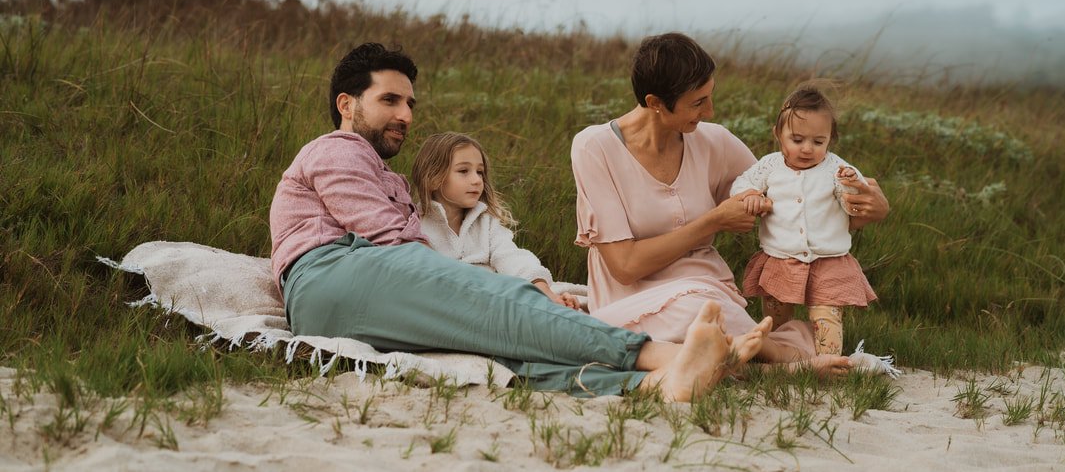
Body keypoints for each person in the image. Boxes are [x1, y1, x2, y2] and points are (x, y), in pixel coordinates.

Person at [269, 42, 770, 399]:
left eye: (410, 104)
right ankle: (659, 356)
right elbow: (396, 246)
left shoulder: (392, 180)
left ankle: (656, 384)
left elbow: (419, 260)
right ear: (346, 104)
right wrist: (510, 289)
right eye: (390, 100)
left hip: (350, 301)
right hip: (331, 273)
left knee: (499, 353)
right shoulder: (336, 149)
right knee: (504, 305)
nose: (406, 115)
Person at [571, 33, 889, 375]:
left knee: (706, 313)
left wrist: (870, 204)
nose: (710, 111)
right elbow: (625, 265)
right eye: (698, 103)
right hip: (629, 298)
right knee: (698, 313)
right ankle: (780, 359)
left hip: (705, 287)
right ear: (656, 102)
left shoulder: (715, 141)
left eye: (710, 97)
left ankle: (743, 355)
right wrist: (714, 220)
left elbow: (794, 193)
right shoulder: (595, 147)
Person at [731, 84, 877, 356]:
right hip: (780, 258)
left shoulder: (837, 168)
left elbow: (856, 199)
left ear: (830, 139)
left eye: (818, 142)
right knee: (775, 319)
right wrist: (750, 195)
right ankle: (774, 355)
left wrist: (850, 186)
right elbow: (741, 184)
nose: (808, 149)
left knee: (827, 318)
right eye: (797, 140)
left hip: (828, 260)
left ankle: (827, 359)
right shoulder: (770, 165)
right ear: (779, 135)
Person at [410, 131, 580, 309]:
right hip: (450, 305)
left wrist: (544, 292)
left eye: (480, 172)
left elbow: (511, 257)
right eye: (463, 171)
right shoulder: (416, 224)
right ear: (433, 179)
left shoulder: (486, 222)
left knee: (581, 303)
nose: (476, 180)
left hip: (496, 298)